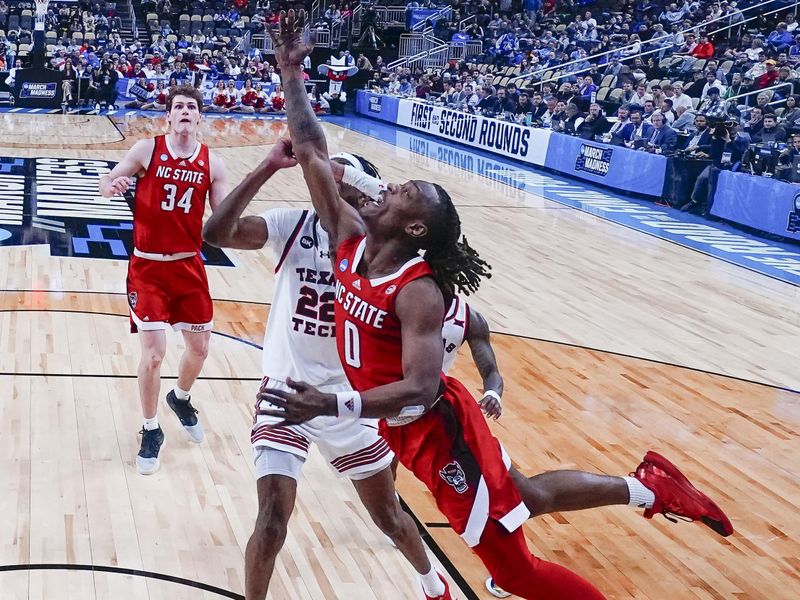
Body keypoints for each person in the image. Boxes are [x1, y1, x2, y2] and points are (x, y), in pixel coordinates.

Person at [262, 11, 734, 600]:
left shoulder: (418, 292)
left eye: (403, 191)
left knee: (514, 574)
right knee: (529, 498)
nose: (389, 188)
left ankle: (637, 505)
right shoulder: (348, 236)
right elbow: (309, 148)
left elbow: (419, 386)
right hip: (401, 426)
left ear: (412, 227)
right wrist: (290, 73)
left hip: (440, 431)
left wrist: (329, 401)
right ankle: (647, 488)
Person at [98, 84, 229, 475]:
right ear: (168, 117)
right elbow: (108, 182)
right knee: (153, 353)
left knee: (200, 350)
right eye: (178, 107)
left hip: (189, 267)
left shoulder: (214, 164)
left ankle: (180, 397)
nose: (185, 111)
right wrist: (114, 185)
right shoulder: (146, 150)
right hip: (148, 268)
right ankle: (151, 428)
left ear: (200, 117)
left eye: (192, 106)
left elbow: (222, 224)